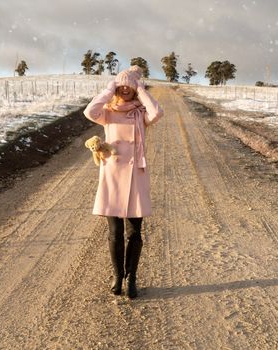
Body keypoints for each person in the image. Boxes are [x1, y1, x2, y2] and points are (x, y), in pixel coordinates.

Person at [83, 66, 164, 298]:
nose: (126, 89)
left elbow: (157, 112)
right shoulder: (108, 111)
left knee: (134, 232)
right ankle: (118, 275)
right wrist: (111, 87)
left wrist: (140, 88)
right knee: (114, 231)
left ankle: (132, 277)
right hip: (112, 174)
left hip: (136, 175)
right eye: (122, 86)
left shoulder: (140, 113)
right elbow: (90, 111)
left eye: (130, 86)